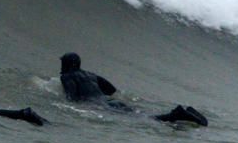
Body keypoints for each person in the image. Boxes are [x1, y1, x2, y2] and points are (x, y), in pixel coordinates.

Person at [59, 52, 208, 126]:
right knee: (141, 115)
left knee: (144, 120)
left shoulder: (66, 76)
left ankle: (176, 115)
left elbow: (71, 96)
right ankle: (185, 114)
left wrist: (75, 105)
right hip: (109, 101)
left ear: (66, 64)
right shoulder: (90, 74)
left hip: (97, 104)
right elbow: (111, 89)